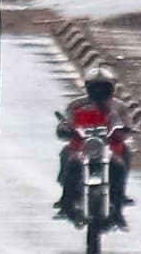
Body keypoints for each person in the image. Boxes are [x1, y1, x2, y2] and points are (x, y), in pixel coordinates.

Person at [52, 70, 128, 226]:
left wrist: (122, 131)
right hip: (82, 148)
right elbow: (67, 124)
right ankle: (67, 202)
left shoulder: (119, 107)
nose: (100, 92)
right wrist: (66, 130)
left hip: (108, 149)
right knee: (71, 161)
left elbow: (127, 126)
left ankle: (118, 206)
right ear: (88, 88)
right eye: (96, 87)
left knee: (120, 165)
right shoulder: (76, 106)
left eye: (104, 87)